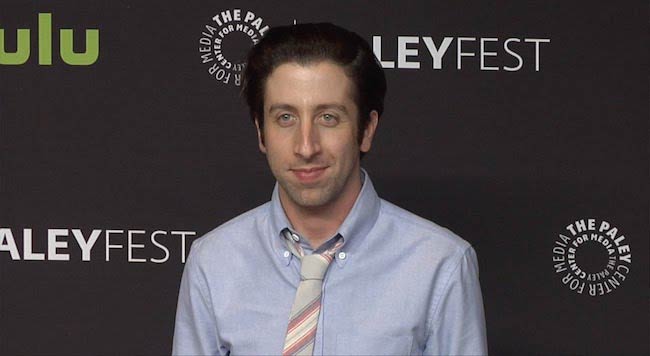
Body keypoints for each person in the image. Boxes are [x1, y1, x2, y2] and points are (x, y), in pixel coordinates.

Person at [172, 23, 487, 356]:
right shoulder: (214, 262)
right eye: (285, 118)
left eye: (328, 117)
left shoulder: (440, 264)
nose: (306, 146)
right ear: (261, 133)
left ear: (366, 129)